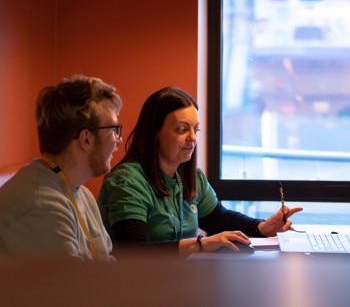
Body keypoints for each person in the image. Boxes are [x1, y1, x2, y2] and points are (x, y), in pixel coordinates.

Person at [98, 87, 302, 257]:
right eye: (181, 129)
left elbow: (218, 218)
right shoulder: (127, 182)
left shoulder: (191, 176)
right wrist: (200, 244)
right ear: (155, 133)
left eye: (195, 130)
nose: (193, 139)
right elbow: (133, 253)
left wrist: (262, 227)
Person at [0, 75, 123, 261]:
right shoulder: (42, 206)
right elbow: (73, 288)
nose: (118, 139)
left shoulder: (80, 191)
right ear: (86, 139)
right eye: (114, 130)